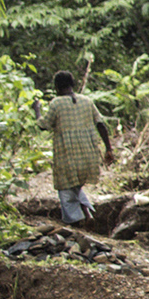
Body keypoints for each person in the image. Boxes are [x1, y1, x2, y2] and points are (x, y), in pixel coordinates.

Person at [46, 71, 108, 226]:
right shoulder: (87, 101)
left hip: (67, 154)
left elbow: (44, 125)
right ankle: (87, 212)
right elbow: (101, 124)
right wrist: (109, 148)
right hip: (88, 154)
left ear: (56, 87)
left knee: (65, 189)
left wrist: (37, 110)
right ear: (73, 84)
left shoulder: (56, 103)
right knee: (75, 184)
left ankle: (75, 223)